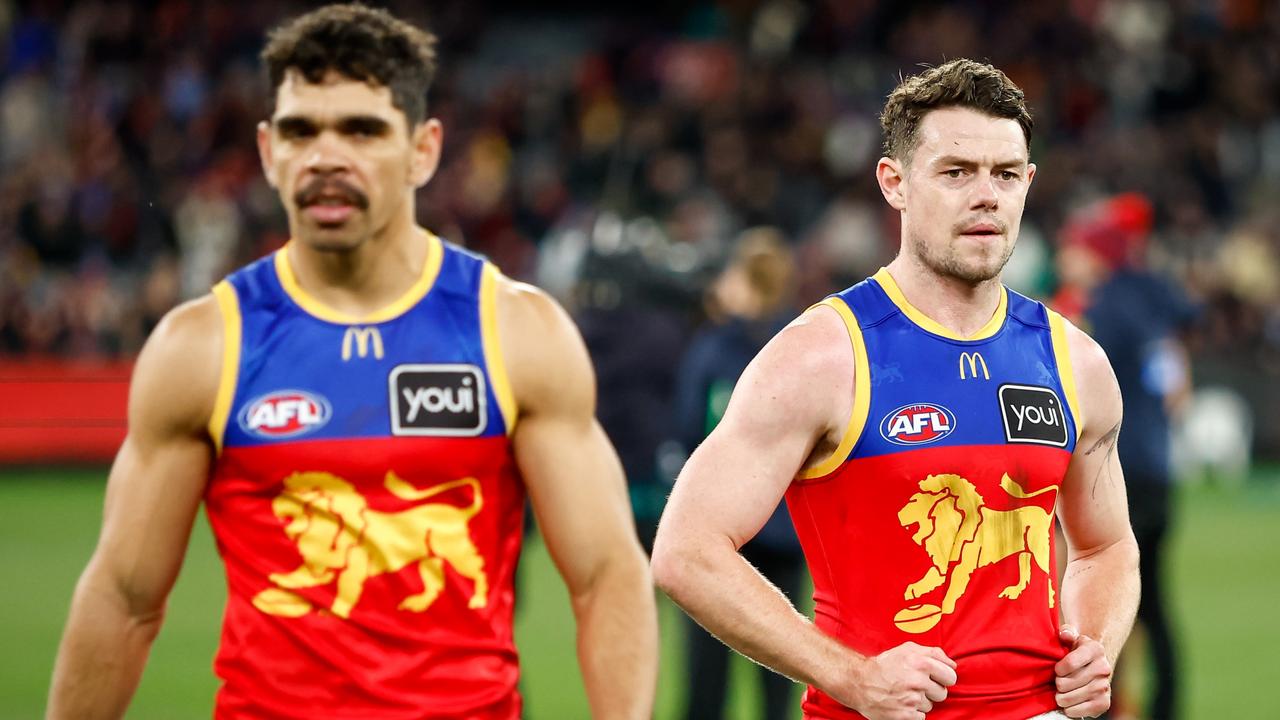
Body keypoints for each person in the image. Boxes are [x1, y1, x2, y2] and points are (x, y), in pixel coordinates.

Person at [47, 5, 657, 719]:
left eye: (362, 130)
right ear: (269, 150)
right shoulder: (203, 346)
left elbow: (608, 578)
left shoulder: (515, 332)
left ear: (423, 151)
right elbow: (124, 598)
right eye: (302, 130)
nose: (326, 155)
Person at [651, 58, 1140, 720]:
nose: (986, 196)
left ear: (1028, 183)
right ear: (896, 183)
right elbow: (686, 551)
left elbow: (1106, 545)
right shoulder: (822, 356)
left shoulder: (1074, 359)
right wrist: (850, 677)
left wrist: (1098, 646)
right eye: (956, 172)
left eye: (1004, 175)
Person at [1055, 194, 1194, 720]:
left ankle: (1109, 706)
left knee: (1094, 594)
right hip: (1158, 470)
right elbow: (1179, 392)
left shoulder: (1095, 310)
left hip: (1114, 472)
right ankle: (1162, 706)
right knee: (1153, 603)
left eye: (1076, 248)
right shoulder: (1150, 310)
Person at [671, 228, 807, 719]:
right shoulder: (802, 345)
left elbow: (687, 427)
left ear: (743, 279)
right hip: (787, 532)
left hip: (720, 534)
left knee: (706, 682)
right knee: (782, 681)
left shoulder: (712, 348)